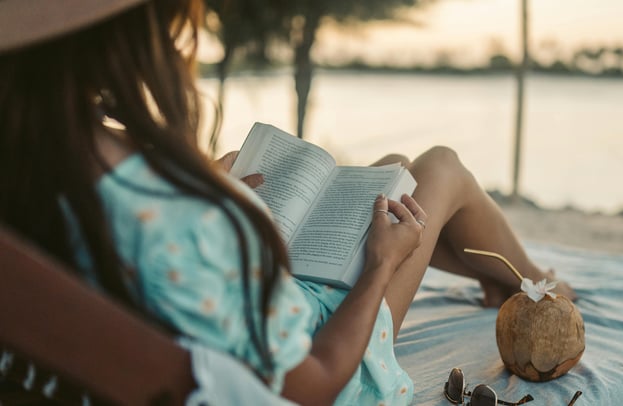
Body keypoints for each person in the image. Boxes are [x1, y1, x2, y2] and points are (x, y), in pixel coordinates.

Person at [0, 0, 575, 405]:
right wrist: (378, 267)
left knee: (389, 174)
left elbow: (159, 256)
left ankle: (499, 277)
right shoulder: (181, 226)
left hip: (241, 305)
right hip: (334, 356)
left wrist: (213, 194)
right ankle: (533, 281)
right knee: (439, 168)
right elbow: (315, 383)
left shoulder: (38, 159)